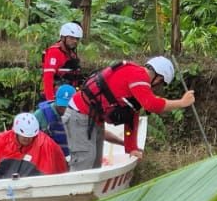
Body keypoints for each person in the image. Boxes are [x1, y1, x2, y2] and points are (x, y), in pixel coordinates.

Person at [61, 56, 195, 171]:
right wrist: (181, 103)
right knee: (85, 161)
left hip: (93, 119)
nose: (158, 86)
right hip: (79, 115)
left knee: (95, 164)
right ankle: (74, 200)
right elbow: (152, 104)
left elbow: (131, 117)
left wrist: (131, 148)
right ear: (159, 77)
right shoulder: (138, 75)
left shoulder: (136, 83)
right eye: (161, 83)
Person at [41, 22, 83, 102]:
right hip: (56, 98)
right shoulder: (54, 52)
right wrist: (50, 100)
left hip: (68, 96)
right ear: (63, 37)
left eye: (77, 39)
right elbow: (48, 77)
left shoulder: (72, 54)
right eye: (71, 38)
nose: (75, 41)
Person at [35, 83, 75, 157]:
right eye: (61, 106)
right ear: (55, 99)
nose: (64, 110)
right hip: (47, 158)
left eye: (67, 106)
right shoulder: (40, 114)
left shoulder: (79, 115)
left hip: (70, 158)